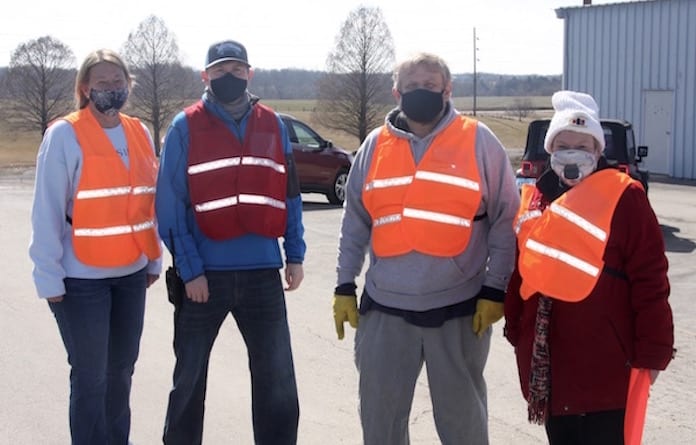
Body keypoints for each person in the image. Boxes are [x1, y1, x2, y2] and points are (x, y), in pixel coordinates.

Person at [332, 52, 520, 445]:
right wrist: (344, 285)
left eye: (431, 86)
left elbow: (505, 217)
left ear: (447, 90)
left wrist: (495, 288)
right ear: (397, 92)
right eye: (413, 86)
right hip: (385, 311)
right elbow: (355, 221)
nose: (422, 92)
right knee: (380, 424)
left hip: (458, 311)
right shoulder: (373, 146)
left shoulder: (478, 140)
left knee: (463, 426)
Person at [156, 39, 306, 445]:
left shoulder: (272, 124)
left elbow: (288, 192)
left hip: (262, 273)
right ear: (205, 76)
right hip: (204, 278)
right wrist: (190, 270)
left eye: (237, 69)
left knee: (277, 382)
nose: (229, 76)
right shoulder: (184, 126)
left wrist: (295, 253)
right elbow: (169, 206)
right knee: (188, 382)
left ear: (250, 74)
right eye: (220, 70)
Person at [503, 90, 674, 444]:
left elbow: (650, 279)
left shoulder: (626, 197)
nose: (573, 153)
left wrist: (654, 351)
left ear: (598, 152)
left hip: (606, 364)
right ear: (550, 151)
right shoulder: (537, 199)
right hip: (551, 365)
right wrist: (516, 324)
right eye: (563, 143)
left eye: (583, 145)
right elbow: (524, 269)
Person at [28, 49, 162, 444]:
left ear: (128, 86)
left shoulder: (138, 132)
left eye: (118, 82)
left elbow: (147, 202)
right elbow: (47, 209)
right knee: (91, 376)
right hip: (81, 280)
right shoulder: (65, 135)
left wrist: (153, 257)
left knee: (121, 372)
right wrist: (47, 275)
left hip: (131, 275)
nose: (111, 90)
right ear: (85, 88)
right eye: (102, 83)